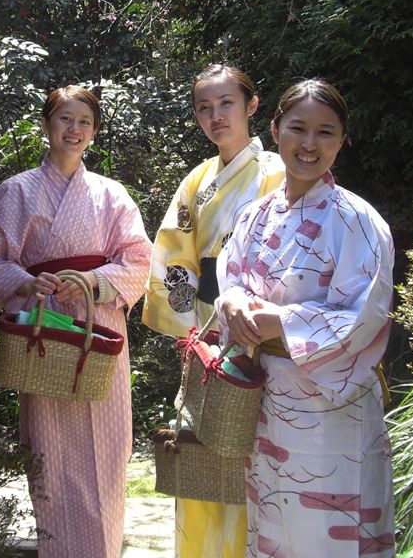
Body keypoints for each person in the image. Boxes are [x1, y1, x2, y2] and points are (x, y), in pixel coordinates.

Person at [0, 85, 153, 558]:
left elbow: (139, 260)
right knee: (50, 453)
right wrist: (28, 283)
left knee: (107, 453)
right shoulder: (17, 190)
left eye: (85, 121)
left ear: (95, 132)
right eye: (65, 119)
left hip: (98, 323)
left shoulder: (111, 195)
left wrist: (91, 282)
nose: (75, 130)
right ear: (48, 124)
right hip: (46, 329)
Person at [216, 79, 395, 557]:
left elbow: (367, 314)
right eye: (298, 128)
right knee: (271, 525)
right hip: (264, 399)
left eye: (326, 132)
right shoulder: (256, 215)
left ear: (342, 140)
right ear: (276, 130)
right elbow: (230, 274)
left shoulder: (357, 220)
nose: (309, 144)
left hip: (329, 406)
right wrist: (229, 300)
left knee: (329, 526)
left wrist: (284, 322)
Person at [142, 64, 284, 557]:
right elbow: (174, 254)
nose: (215, 115)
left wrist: (248, 314)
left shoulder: (278, 173)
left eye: (226, 103)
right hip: (206, 329)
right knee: (203, 451)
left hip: (259, 331)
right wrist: (192, 329)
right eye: (204, 107)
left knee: (254, 457)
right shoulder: (198, 179)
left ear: (252, 106)